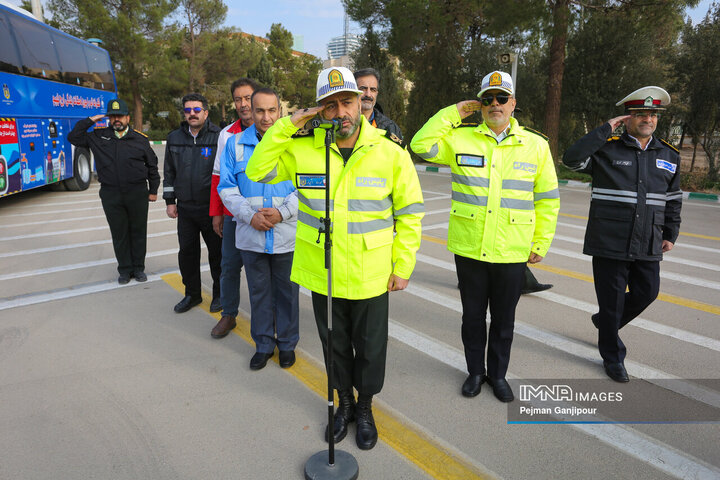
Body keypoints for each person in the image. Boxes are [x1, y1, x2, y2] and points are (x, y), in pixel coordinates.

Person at [245, 67, 424, 450]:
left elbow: (410, 214)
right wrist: (290, 124)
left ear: (361, 102)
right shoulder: (303, 146)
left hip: (372, 273)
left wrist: (403, 265)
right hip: (322, 269)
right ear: (320, 110)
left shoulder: (389, 151)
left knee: (371, 348)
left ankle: (366, 408)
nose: (340, 111)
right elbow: (256, 169)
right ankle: (343, 403)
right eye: (330, 105)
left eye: (347, 101)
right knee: (334, 345)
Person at [411, 70, 559, 402]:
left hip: (512, 249)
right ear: (480, 104)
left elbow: (548, 199)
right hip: (470, 246)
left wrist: (541, 241)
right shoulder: (459, 139)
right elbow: (420, 144)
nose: (495, 104)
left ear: (513, 104)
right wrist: (454, 113)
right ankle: (475, 372)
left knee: (504, 320)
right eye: (487, 99)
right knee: (473, 317)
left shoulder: (536, 145)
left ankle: (499, 375)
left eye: (501, 98)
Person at [562, 86, 681, 383]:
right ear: (628, 117)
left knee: (647, 292)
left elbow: (673, 198)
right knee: (613, 301)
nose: (648, 119)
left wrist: (670, 232)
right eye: (641, 114)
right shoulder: (607, 147)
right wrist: (604, 129)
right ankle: (613, 357)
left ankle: (605, 323)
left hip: (649, 238)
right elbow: (571, 159)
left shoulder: (668, 154)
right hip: (609, 239)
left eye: (652, 114)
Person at [218, 88, 299, 370]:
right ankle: (263, 344)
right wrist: (249, 215)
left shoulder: (296, 143)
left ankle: (287, 345)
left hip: (286, 235)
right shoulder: (234, 144)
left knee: (287, 294)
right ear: (249, 111)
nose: (266, 117)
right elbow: (226, 188)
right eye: (260, 111)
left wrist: (282, 212)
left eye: (272, 111)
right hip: (251, 235)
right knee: (259, 293)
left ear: (281, 112)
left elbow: (309, 186)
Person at [68, 99, 159, 284]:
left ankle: (139, 269)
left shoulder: (140, 139)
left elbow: (152, 166)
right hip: (111, 194)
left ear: (127, 117)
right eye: (112, 116)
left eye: (119, 116)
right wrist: (91, 120)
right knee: (119, 234)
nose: (116, 120)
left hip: (137, 193)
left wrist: (153, 190)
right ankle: (125, 270)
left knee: (138, 232)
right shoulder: (98, 136)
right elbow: (74, 137)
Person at [163, 93, 222, 314]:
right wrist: (170, 201)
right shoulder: (175, 138)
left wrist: (221, 208)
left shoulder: (219, 137)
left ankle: (220, 295)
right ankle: (192, 295)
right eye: (187, 110)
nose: (192, 114)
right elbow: (169, 172)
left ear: (206, 112)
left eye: (196, 110)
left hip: (211, 208)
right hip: (185, 208)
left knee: (218, 255)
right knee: (187, 254)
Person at [209, 78, 259, 339]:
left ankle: (266, 316)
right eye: (238, 99)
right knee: (229, 265)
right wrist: (216, 213)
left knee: (259, 270)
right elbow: (218, 177)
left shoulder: (273, 133)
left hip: (262, 214)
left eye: (248, 98)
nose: (243, 104)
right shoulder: (226, 134)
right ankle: (228, 314)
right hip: (232, 215)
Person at [353, 68, 403, 141]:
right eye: (363, 89)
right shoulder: (344, 124)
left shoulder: (390, 127)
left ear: (377, 93)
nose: (368, 94)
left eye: (373, 90)